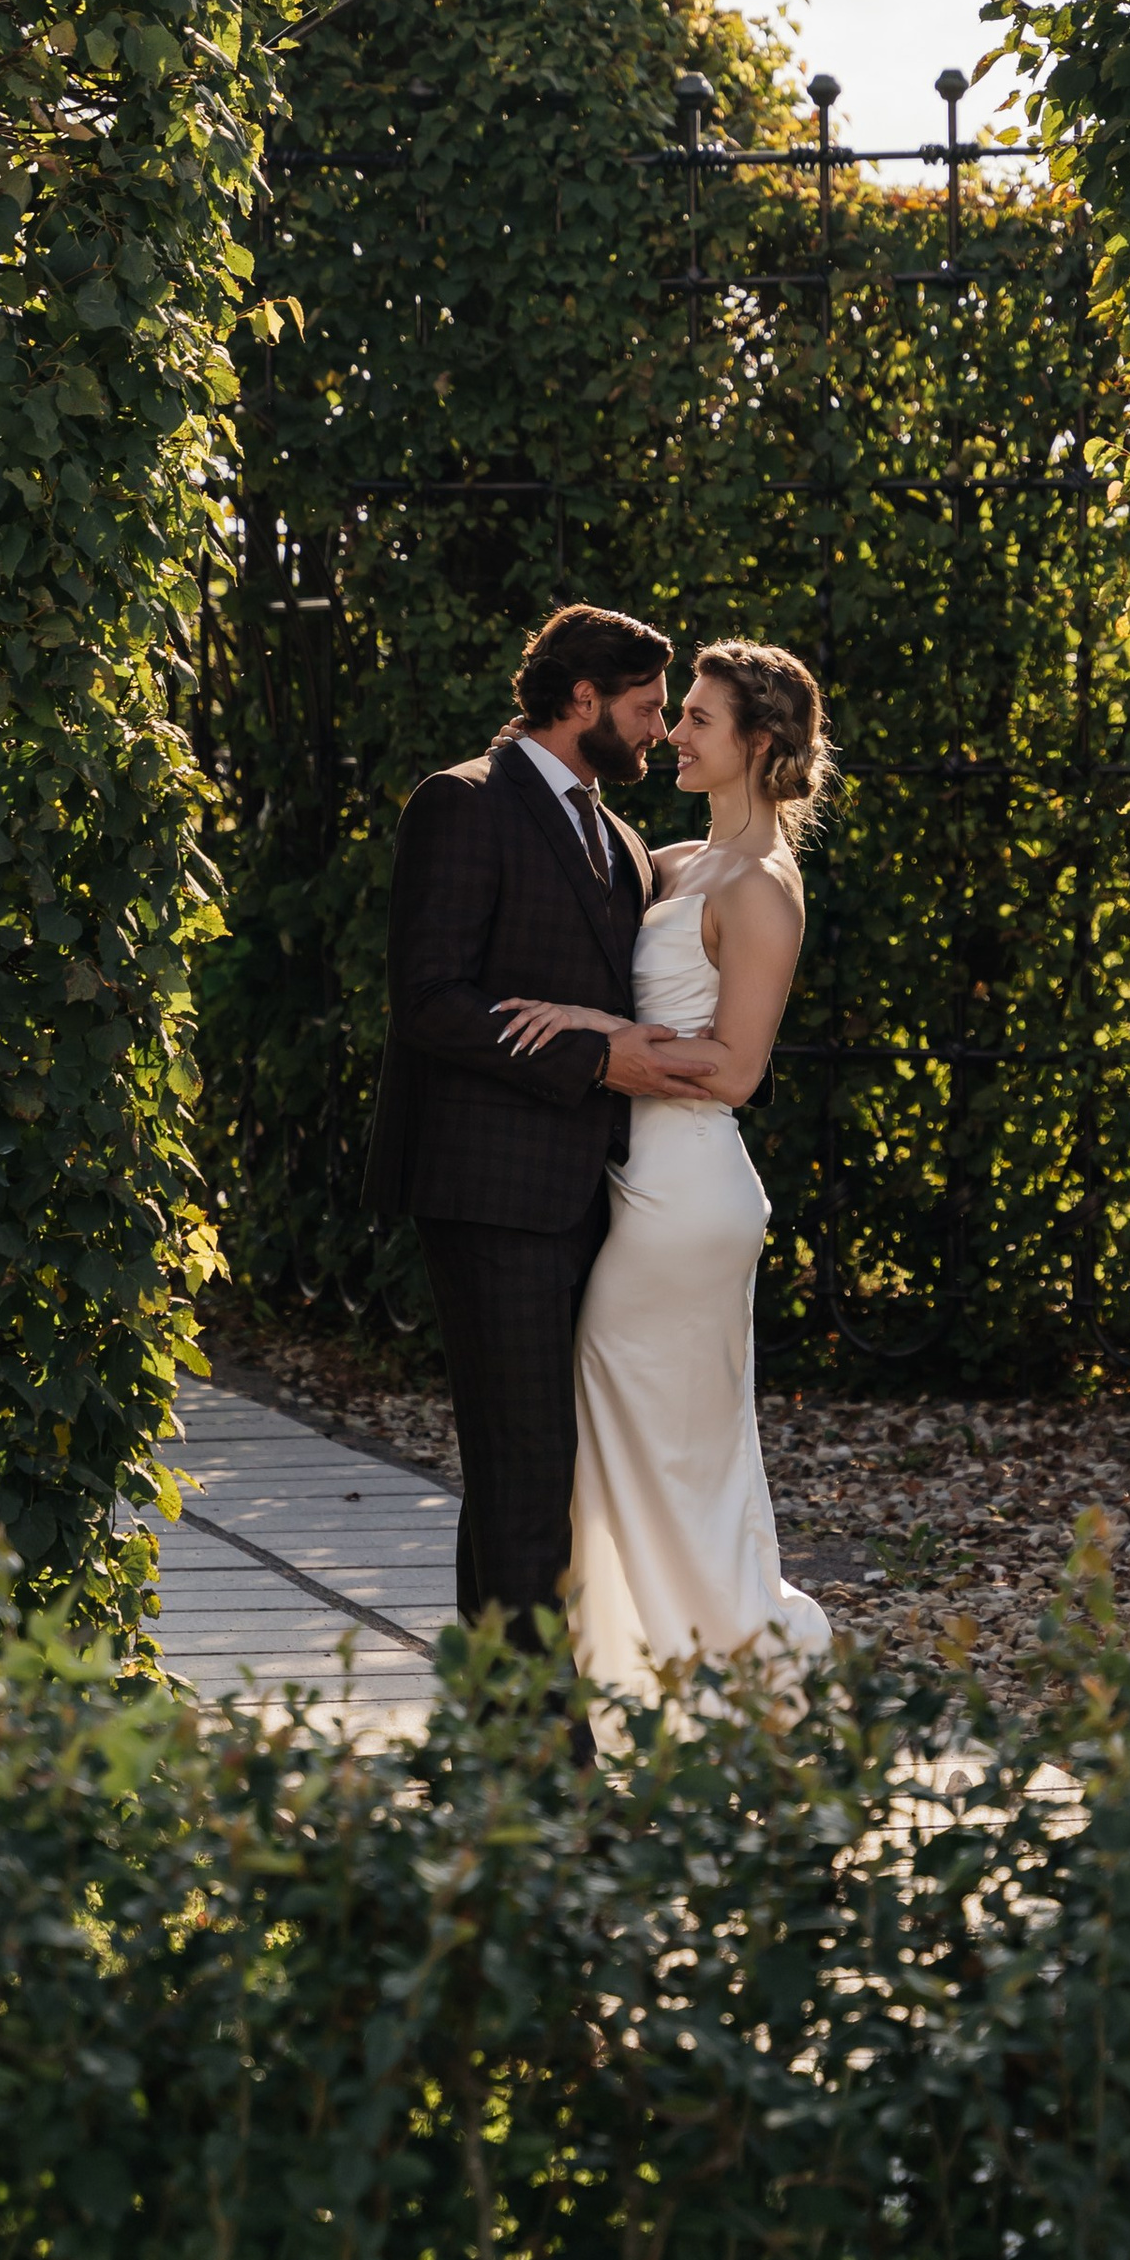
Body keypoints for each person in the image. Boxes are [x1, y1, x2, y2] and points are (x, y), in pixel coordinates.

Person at [362, 603, 716, 1640]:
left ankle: (495, 1726)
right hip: (489, 1193)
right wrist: (594, 1055)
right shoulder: (461, 803)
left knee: (539, 1470)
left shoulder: (617, 832)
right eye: (647, 709)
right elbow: (427, 998)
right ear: (582, 700)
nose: (658, 730)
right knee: (524, 1470)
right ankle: (534, 1751)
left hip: (591, 1193)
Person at [494, 639, 835, 1706]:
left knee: (677, 1461)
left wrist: (599, 1030)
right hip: (640, 1183)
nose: (672, 733)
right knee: (645, 1450)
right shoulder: (677, 860)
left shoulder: (763, 890)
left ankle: (752, 1687)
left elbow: (736, 1073)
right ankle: (681, 1682)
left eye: (697, 718)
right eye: (675, 712)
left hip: (689, 1200)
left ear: (758, 743)